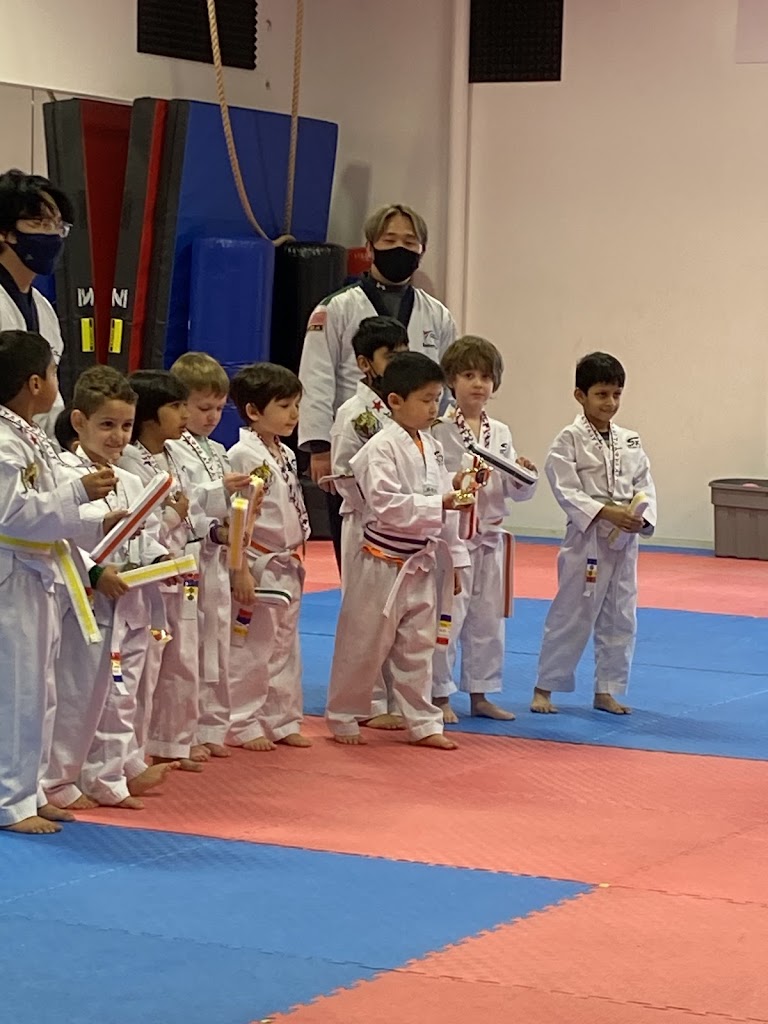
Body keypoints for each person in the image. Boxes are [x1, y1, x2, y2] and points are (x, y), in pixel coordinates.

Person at [44, 365, 175, 811]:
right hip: (80, 601)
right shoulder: (62, 475)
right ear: (78, 422)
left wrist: (160, 560)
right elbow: (58, 538)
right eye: (107, 425)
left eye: (126, 426)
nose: (118, 436)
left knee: (121, 695)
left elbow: (146, 536)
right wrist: (96, 572)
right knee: (75, 695)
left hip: (128, 602)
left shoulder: (132, 480)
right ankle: (57, 780)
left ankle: (107, 776)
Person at [325, 352, 471, 750]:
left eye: (437, 398)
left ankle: (422, 722)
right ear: (395, 401)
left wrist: (457, 488)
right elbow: (385, 504)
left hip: (420, 560)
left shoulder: (431, 446)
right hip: (381, 560)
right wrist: (441, 502)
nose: (433, 408)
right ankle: (343, 714)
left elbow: (440, 495)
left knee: (418, 645)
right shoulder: (379, 448)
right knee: (364, 642)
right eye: (425, 400)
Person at [0, 330, 115, 834]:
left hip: (39, 573)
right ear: (33, 383)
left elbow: (49, 508)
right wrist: (78, 492)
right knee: (17, 691)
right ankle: (9, 800)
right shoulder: (3, 442)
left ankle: (31, 788)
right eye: (52, 373)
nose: (55, 381)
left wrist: (95, 515)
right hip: (12, 577)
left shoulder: (29, 434)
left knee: (42, 689)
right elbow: (13, 514)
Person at [298, 203, 457, 568]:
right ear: (369, 248)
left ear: (422, 251)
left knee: (414, 539)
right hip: (355, 440)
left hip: (416, 446)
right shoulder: (336, 308)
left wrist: (443, 445)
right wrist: (319, 448)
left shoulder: (437, 314)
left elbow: (446, 385)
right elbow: (317, 376)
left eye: (409, 242)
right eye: (389, 240)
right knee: (358, 544)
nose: (400, 248)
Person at [531, 352, 657, 716]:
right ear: (580, 395)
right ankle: (544, 687)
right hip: (587, 540)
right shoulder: (567, 440)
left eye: (616, 394)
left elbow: (645, 484)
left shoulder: (630, 440)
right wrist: (607, 512)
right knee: (572, 613)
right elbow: (565, 489)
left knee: (621, 615)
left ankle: (607, 689)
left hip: (625, 540)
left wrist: (641, 518)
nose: (610, 403)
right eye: (602, 394)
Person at [431, 336, 538, 723]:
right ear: (450, 380)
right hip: (456, 538)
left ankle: (481, 694)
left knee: (489, 621)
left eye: (486, 377)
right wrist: (460, 481)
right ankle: (439, 695)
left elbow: (515, 490)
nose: (478, 384)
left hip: (491, 536)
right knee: (448, 617)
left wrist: (522, 475)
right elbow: (436, 482)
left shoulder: (501, 432)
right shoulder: (438, 429)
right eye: (468, 375)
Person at [120, 370, 214, 772]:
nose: (184, 415)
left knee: (183, 659)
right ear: (148, 416)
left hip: (185, 567)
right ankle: (134, 755)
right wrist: (173, 515)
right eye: (175, 407)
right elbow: (138, 527)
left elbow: (194, 507)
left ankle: (173, 742)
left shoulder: (176, 453)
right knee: (146, 667)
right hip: (151, 574)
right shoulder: (129, 461)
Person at [167, 352, 251, 758]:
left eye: (219, 408)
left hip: (216, 557)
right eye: (203, 408)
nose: (212, 416)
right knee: (190, 648)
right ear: (180, 404)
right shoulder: (172, 448)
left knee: (217, 641)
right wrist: (221, 496)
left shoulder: (218, 450)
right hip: (190, 554)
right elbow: (185, 502)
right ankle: (183, 732)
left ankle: (211, 727)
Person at [227, 363, 312, 751]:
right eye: (284, 406)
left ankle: (281, 718)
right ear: (253, 411)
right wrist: (239, 567)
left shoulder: (285, 453)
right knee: (253, 648)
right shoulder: (241, 455)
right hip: (258, 559)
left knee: (284, 646)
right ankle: (242, 722)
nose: (294, 414)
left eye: (296, 405)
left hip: (287, 560)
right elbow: (239, 515)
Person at [329, 315, 408, 731]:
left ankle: (398, 698)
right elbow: (343, 474)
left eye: (403, 353)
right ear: (364, 363)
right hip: (366, 522)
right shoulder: (354, 413)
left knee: (399, 615)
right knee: (366, 616)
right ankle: (367, 701)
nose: (399, 362)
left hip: (403, 528)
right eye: (390, 355)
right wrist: (383, 508)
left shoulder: (403, 405)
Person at [0, 169, 72, 437]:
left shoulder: (43, 309)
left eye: (58, 226)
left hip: (35, 446)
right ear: (5, 232)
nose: (52, 235)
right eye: (39, 223)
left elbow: (50, 403)